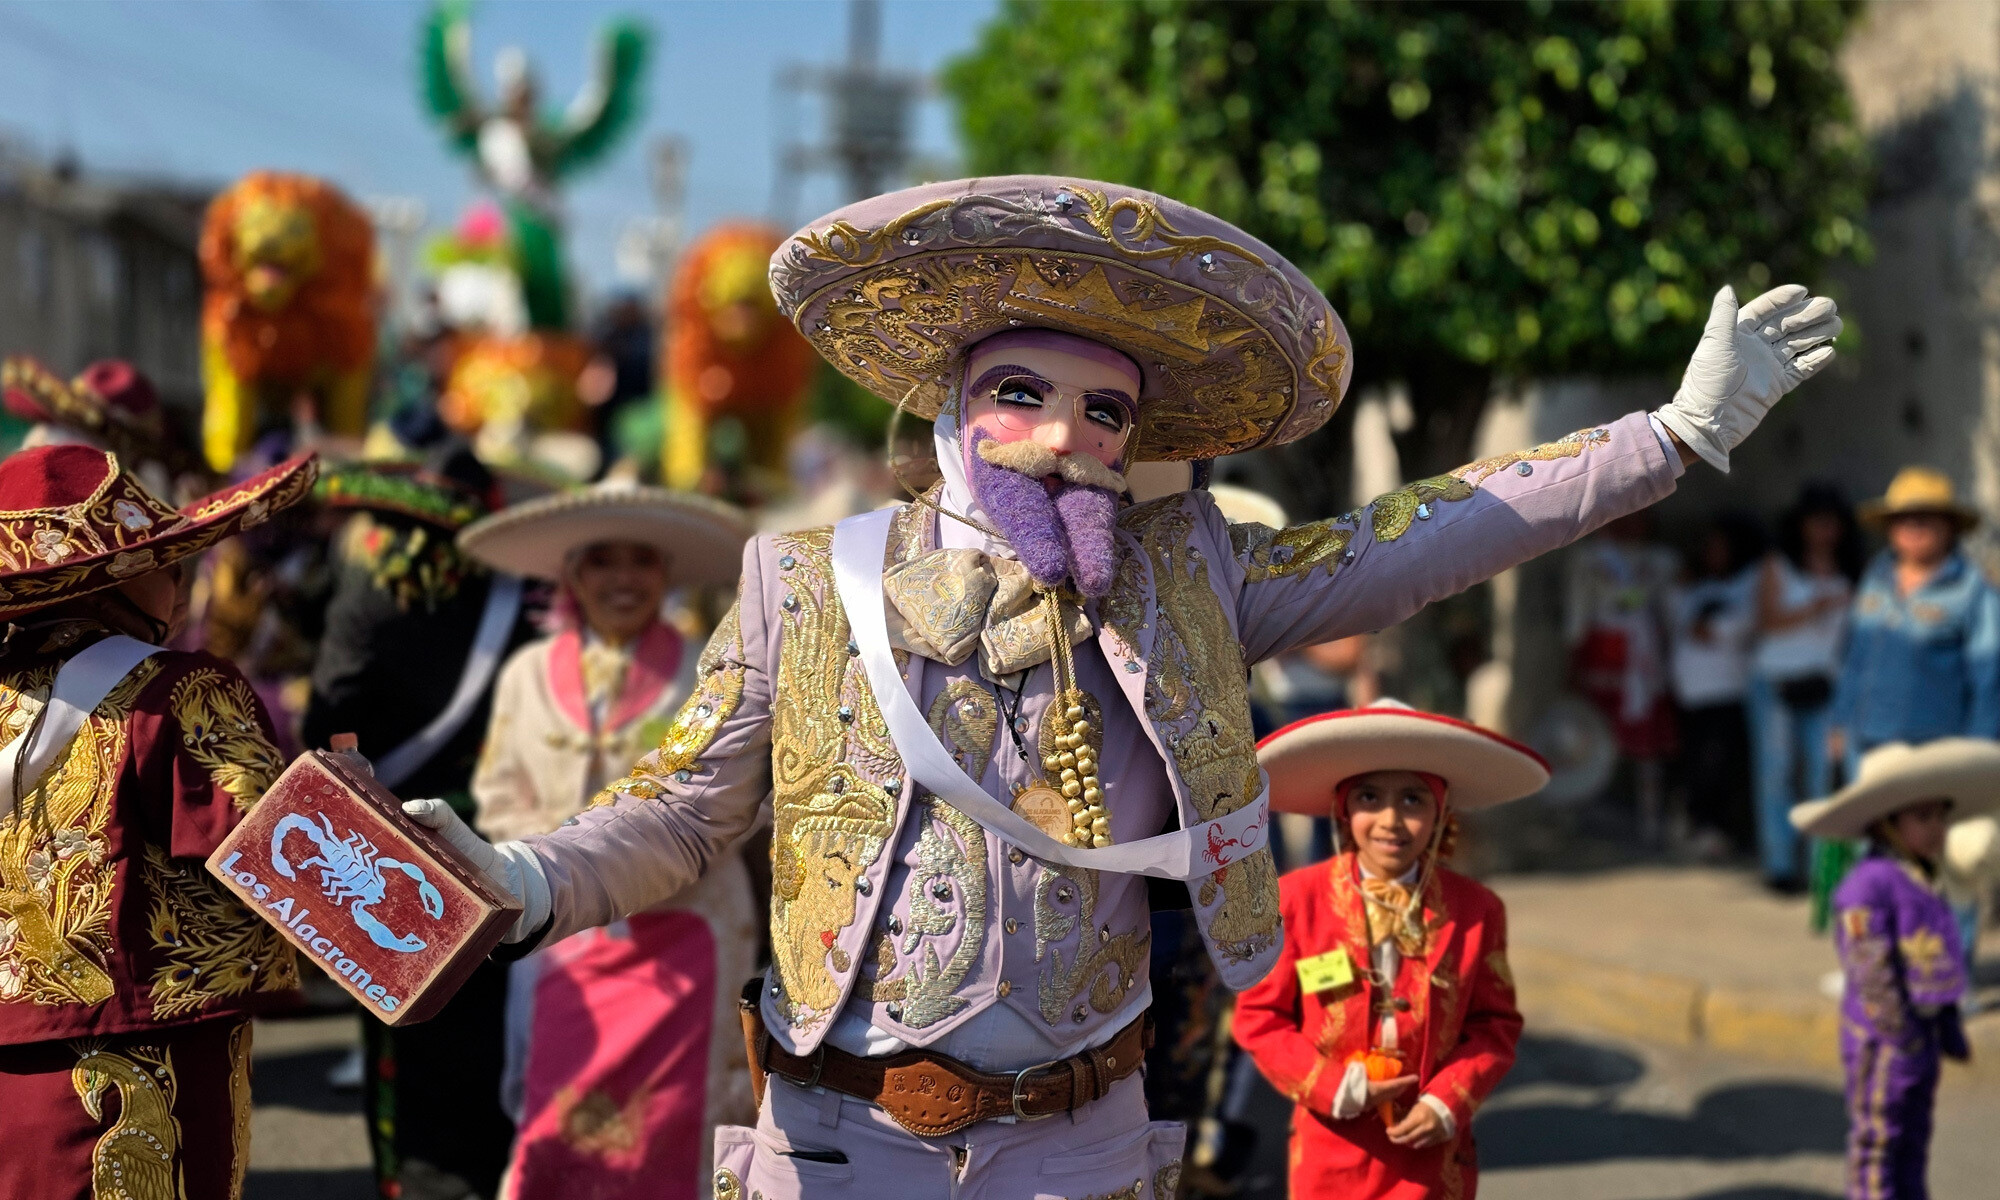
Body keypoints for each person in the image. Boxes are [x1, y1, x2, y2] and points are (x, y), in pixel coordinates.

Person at [386, 176, 1838, 1193]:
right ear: (952, 412)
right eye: (1021, 394)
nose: (1064, 434)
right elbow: (681, 809)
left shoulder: (1186, 570)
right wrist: (523, 878)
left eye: (1105, 411)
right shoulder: (803, 579)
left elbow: (1413, 538)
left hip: (1084, 1138)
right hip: (844, 1141)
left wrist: (1669, 437)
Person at [0, 443, 316, 1200]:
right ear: (121, 578)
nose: (183, 580)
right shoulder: (180, 689)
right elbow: (282, 847)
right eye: (167, 562)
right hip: (141, 1059)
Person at [456, 482, 759, 1199]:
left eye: (641, 561)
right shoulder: (527, 674)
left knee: (678, 1129)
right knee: (557, 1120)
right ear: (572, 575)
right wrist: (554, 866)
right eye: (602, 561)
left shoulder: (713, 671)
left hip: (688, 934)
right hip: (560, 932)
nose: (624, 579)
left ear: (666, 573)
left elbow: (744, 803)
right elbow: (498, 792)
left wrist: (647, 863)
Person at [303, 442, 532, 1200]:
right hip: (506, 841)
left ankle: (414, 1182)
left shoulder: (373, 594)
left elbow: (330, 718)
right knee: (495, 1030)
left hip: (395, 851)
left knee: (405, 1030)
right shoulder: (529, 598)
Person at [1235, 699, 1543, 1199]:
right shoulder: (1296, 901)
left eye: (1413, 800)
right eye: (1370, 797)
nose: (1391, 820)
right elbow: (1260, 1019)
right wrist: (1334, 1086)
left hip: (1432, 1157)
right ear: (1343, 809)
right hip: (1330, 1154)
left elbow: (1495, 1026)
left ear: (1441, 813)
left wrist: (1448, 1101)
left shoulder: (1477, 910)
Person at [1788, 738, 1999, 1200]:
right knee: (1878, 1141)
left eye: (1941, 816)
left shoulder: (1922, 877)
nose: (1938, 828)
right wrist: (1898, 1035)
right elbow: (1869, 969)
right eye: (1923, 817)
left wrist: (1945, 1032)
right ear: (1887, 824)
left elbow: (1935, 960)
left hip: (1920, 1037)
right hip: (1883, 1041)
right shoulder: (1867, 886)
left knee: (1914, 1140)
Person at [1824, 469, 2000, 922]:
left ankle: (1950, 965)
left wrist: (1978, 752)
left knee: (1947, 865)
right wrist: (1840, 721)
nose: (1913, 528)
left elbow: (1989, 676)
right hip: (1868, 741)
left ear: (1949, 527)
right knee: (1877, 862)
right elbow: (1855, 657)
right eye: (1903, 519)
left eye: (1926, 518)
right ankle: (1884, 959)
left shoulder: (1972, 591)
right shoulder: (1876, 576)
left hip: (1937, 749)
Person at [1746, 485, 1862, 891]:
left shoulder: (1852, 571)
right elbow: (1765, 622)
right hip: (1773, 681)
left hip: (1825, 684)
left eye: (1832, 522)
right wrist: (1816, 607)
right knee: (1775, 773)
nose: (1825, 530)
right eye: (1818, 521)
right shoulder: (1777, 565)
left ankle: (1820, 870)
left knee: (1822, 774)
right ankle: (1779, 866)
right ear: (1800, 524)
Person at [1667, 514, 1763, 856]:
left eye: (1720, 547)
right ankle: (1699, 826)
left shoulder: (1752, 581)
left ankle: (1720, 829)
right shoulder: (1696, 587)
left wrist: (1711, 630)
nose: (1711, 553)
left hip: (1727, 691)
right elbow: (1678, 624)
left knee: (1721, 764)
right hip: (1690, 693)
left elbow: (1742, 626)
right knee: (1694, 763)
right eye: (1708, 547)